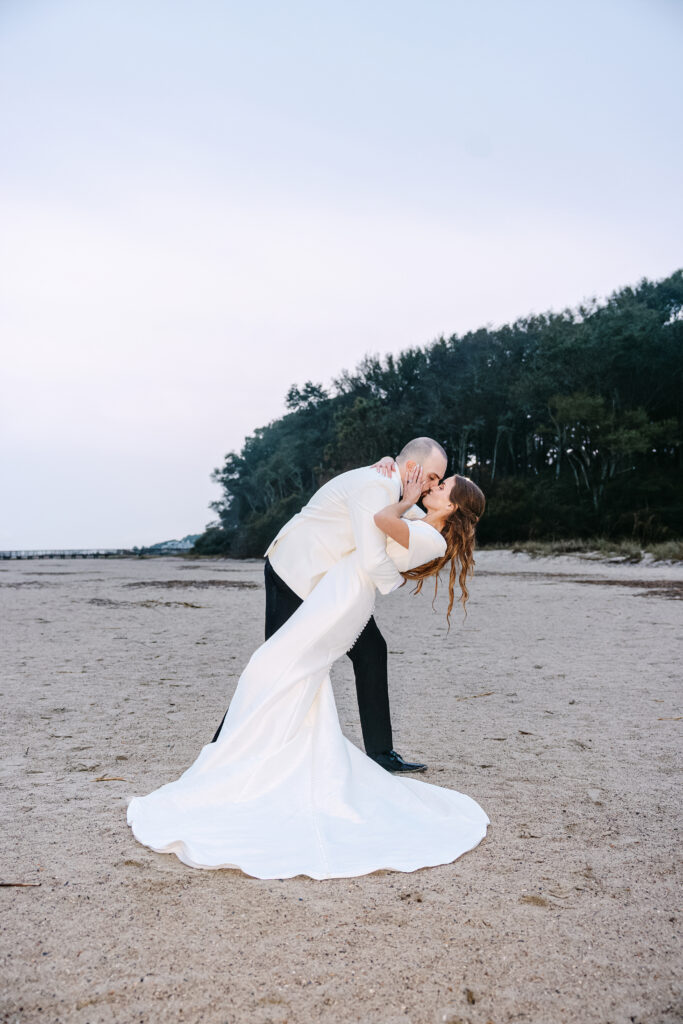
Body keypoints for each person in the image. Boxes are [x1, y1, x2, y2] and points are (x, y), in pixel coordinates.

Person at [127, 466, 490, 880]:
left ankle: (249, 751)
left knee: (278, 666)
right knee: (284, 670)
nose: (433, 487)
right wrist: (385, 470)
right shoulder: (421, 526)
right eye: (436, 480)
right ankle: (256, 747)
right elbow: (378, 511)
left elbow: (381, 520)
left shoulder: (428, 536)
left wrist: (405, 498)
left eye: (442, 487)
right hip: (335, 591)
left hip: (342, 600)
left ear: (454, 506)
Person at [211, 437, 448, 773]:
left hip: (326, 585)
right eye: (434, 477)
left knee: (371, 650)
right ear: (413, 469)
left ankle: (381, 753)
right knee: (274, 664)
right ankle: (221, 747)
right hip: (294, 572)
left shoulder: (390, 486)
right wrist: (396, 583)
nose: (434, 485)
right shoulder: (378, 486)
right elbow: (372, 557)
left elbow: (418, 516)